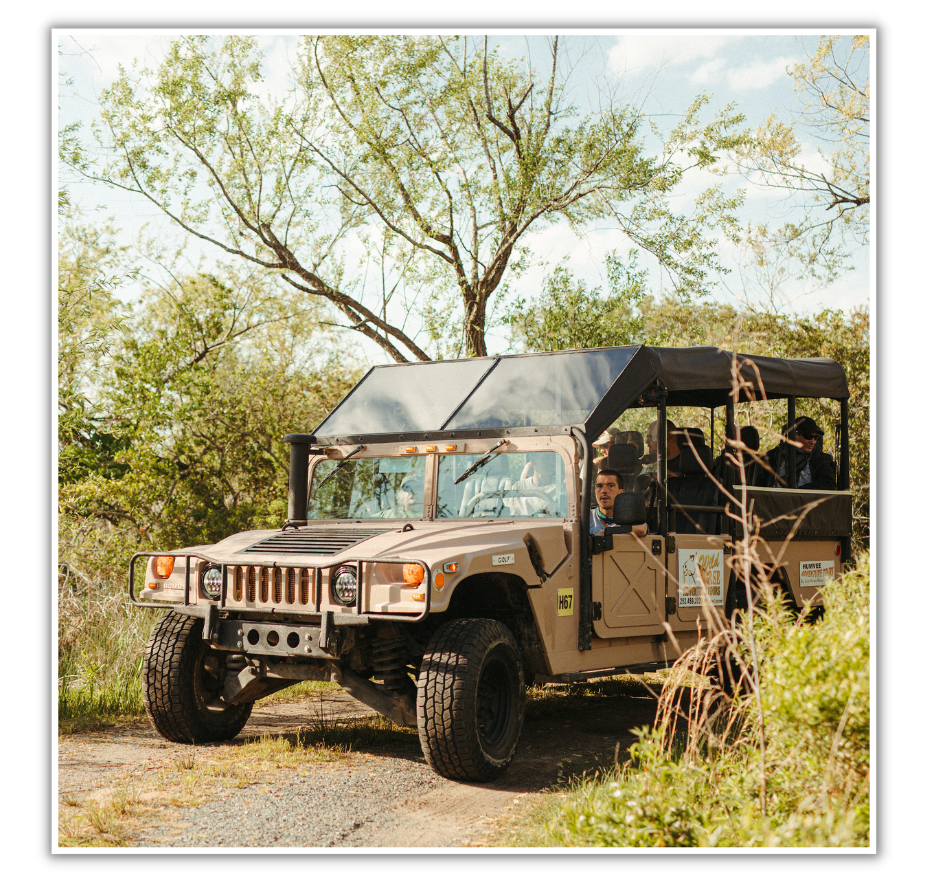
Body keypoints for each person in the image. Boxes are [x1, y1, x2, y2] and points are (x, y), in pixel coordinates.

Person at [754, 416, 836, 490]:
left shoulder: (820, 460)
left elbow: (828, 485)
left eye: (816, 437)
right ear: (795, 435)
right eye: (808, 436)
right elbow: (759, 485)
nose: (813, 441)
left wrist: (798, 491)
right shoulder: (773, 457)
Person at [590, 469, 648, 537]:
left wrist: (606, 532)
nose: (604, 491)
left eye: (610, 486)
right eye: (599, 486)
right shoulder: (586, 517)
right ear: (595, 493)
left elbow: (641, 529)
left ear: (621, 493)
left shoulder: (629, 517)